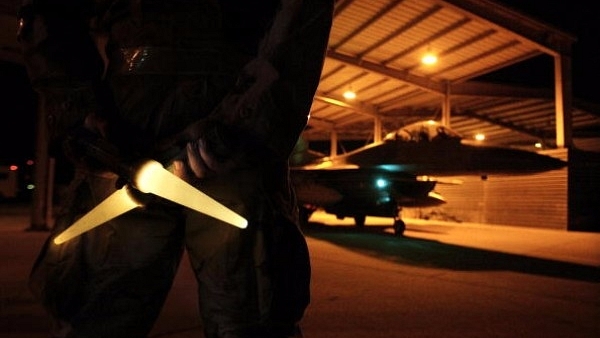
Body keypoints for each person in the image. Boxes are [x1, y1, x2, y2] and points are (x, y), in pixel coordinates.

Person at [17, 0, 334, 337]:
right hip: (145, 143)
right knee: (98, 314)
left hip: (180, 139)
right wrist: (79, 108)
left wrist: (78, 107)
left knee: (252, 315)